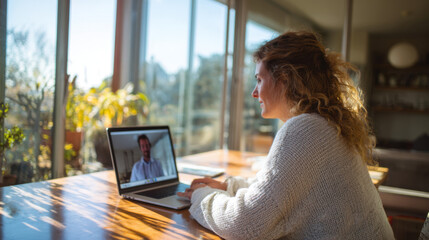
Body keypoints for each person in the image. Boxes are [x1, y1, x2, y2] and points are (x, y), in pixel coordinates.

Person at [177, 31, 394, 239]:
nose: (254, 92)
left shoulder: (306, 128)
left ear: (285, 79)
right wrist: (228, 186)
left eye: (259, 80)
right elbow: (281, 192)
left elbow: (245, 224)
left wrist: (202, 197)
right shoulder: (324, 125)